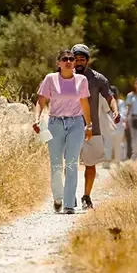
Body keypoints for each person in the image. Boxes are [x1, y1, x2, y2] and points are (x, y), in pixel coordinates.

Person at [32, 49, 94, 214]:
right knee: (56, 164)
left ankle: (68, 204)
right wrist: (36, 119)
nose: (68, 61)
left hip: (76, 124)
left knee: (72, 163)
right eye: (64, 59)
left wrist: (89, 125)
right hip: (55, 124)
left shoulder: (81, 80)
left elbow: (84, 103)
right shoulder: (50, 79)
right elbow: (41, 101)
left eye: (71, 59)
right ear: (58, 63)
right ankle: (58, 197)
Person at [71, 44, 121, 210]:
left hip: (93, 128)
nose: (78, 62)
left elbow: (109, 97)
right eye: (76, 59)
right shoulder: (64, 77)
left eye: (82, 59)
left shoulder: (98, 79)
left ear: (87, 60)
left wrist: (115, 111)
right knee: (69, 164)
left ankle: (86, 196)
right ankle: (69, 195)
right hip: (69, 126)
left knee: (90, 164)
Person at [103, 85, 125, 167]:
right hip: (108, 126)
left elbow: (123, 114)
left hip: (118, 126)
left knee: (118, 145)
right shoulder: (105, 102)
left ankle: (118, 161)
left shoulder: (120, 102)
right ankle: (107, 161)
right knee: (107, 144)